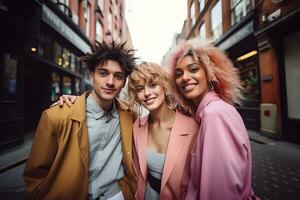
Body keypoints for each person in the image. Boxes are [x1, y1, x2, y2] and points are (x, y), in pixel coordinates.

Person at [23, 41, 137, 200]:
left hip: (116, 195)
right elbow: (35, 176)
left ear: (124, 81)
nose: (110, 82)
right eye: (103, 73)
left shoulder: (130, 115)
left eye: (118, 76)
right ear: (92, 75)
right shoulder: (55, 116)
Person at [167, 41, 258, 200]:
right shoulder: (209, 112)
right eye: (179, 73)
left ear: (210, 72)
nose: (185, 78)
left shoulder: (214, 114)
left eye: (193, 69)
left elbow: (220, 192)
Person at [128, 62, 199, 200]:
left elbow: (199, 181)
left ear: (164, 87)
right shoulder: (137, 126)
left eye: (153, 85)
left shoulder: (192, 128)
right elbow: (137, 173)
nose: (147, 93)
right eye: (140, 89)